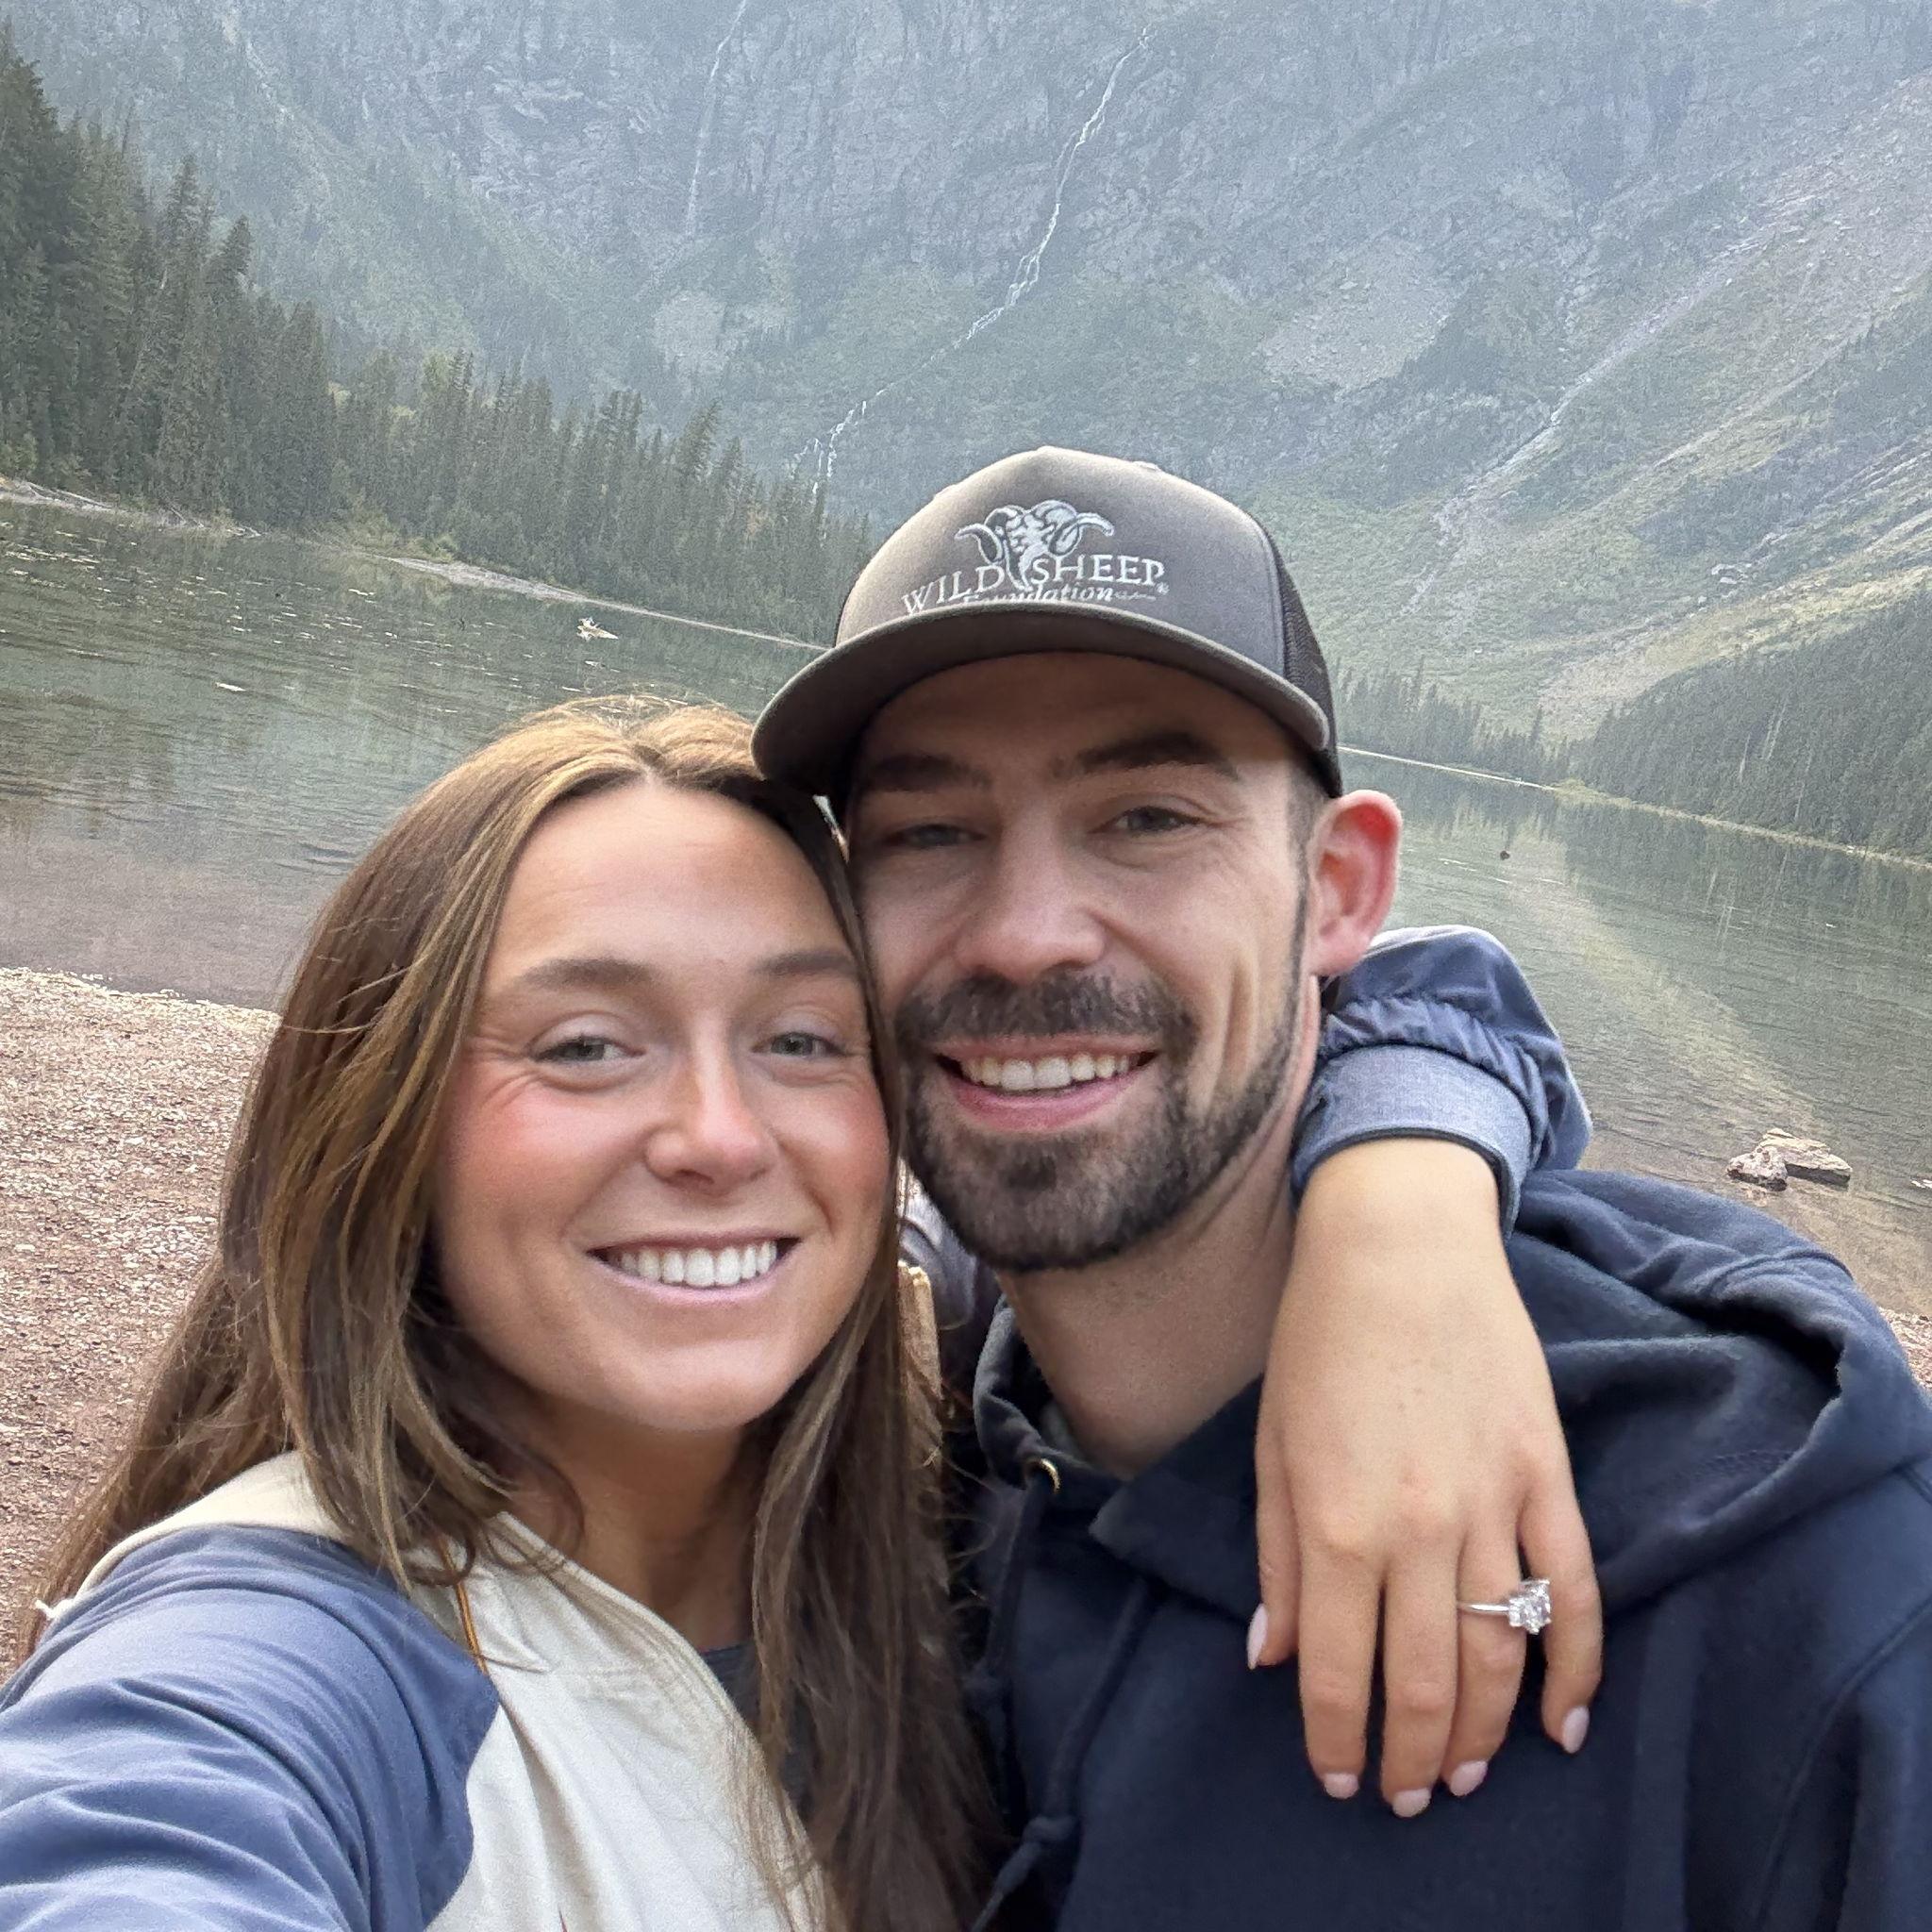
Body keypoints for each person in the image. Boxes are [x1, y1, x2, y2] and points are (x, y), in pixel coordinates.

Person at [0, 694, 1596, 1925]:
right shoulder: (291, 1661)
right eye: (584, 1047)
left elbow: (1385, 980)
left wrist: (1398, 1209)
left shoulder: (941, 1445)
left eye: (804, 1041)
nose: (717, 1138)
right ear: (388, 1119)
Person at [752, 445, 1932, 1930]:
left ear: (1342, 893)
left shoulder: (1794, 1578)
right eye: (929, 834)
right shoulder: (865, 1431)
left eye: (1148, 818)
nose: (1027, 932)